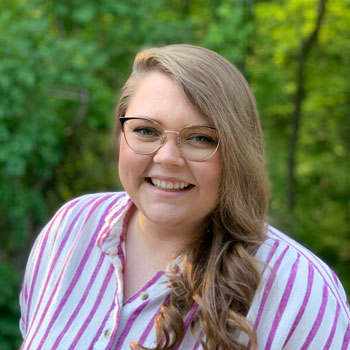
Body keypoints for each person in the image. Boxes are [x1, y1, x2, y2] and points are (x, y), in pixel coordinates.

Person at [20, 44, 349, 350]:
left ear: (238, 152)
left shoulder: (301, 291)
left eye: (200, 138)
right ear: (121, 136)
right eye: (146, 131)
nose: (167, 157)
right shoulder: (71, 229)